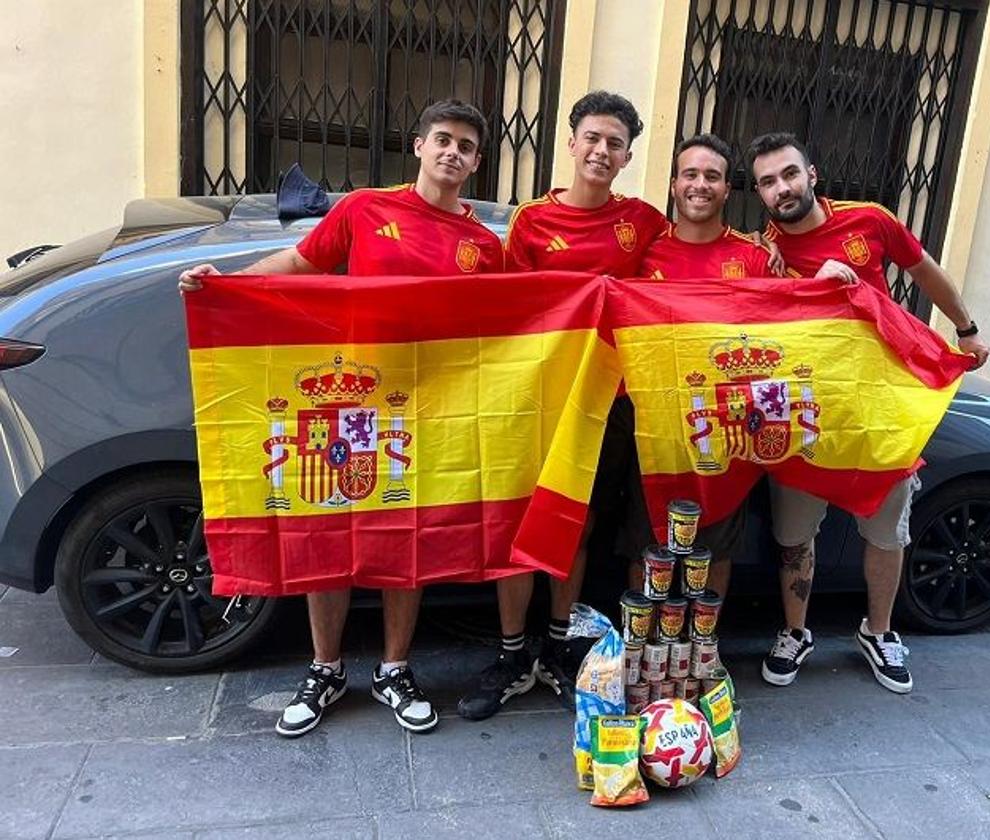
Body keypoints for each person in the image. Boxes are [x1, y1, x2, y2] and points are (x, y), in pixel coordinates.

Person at [179, 100, 504, 736]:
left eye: (466, 147)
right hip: (350, 403)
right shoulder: (364, 208)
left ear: (475, 163)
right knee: (327, 527)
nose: (452, 153)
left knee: (405, 533)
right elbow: (301, 265)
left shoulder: (484, 244)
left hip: (430, 409)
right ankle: (325, 668)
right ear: (418, 146)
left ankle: (393, 667)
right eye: (442, 140)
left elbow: (499, 327)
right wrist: (226, 283)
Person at [746, 131, 990, 694]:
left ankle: (879, 632)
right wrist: (804, 283)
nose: (781, 188)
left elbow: (924, 270)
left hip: (876, 410)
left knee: (886, 531)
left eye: (789, 174)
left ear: (812, 174)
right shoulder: (764, 253)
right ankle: (795, 631)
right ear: (758, 192)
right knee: (794, 534)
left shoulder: (870, 221)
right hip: (802, 416)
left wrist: (967, 328)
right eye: (767, 182)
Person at [456, 91, 669, 721]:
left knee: (576, 524)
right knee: (522, 520)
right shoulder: (530, 223)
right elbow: (511, 310)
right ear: (572, 143)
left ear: (627, 157)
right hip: (540, 400)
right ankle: (511, 653)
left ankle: (557, 645)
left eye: (615, 144)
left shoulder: (645, 221)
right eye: (593, 138)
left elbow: (692, 270)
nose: (602, 152)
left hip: (611, 404)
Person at [627, 133, 857, 596]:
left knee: (713, 550)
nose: (700, 185)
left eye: (712, 176)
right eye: (690, 174)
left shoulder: (754, 256)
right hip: (655, 431)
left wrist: (823, 282)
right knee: (646, 545)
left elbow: (790, 320)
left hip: (724, 435)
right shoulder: (644, 253)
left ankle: (703, 650)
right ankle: (643, 653)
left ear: (727, 189)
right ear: (674, 185)